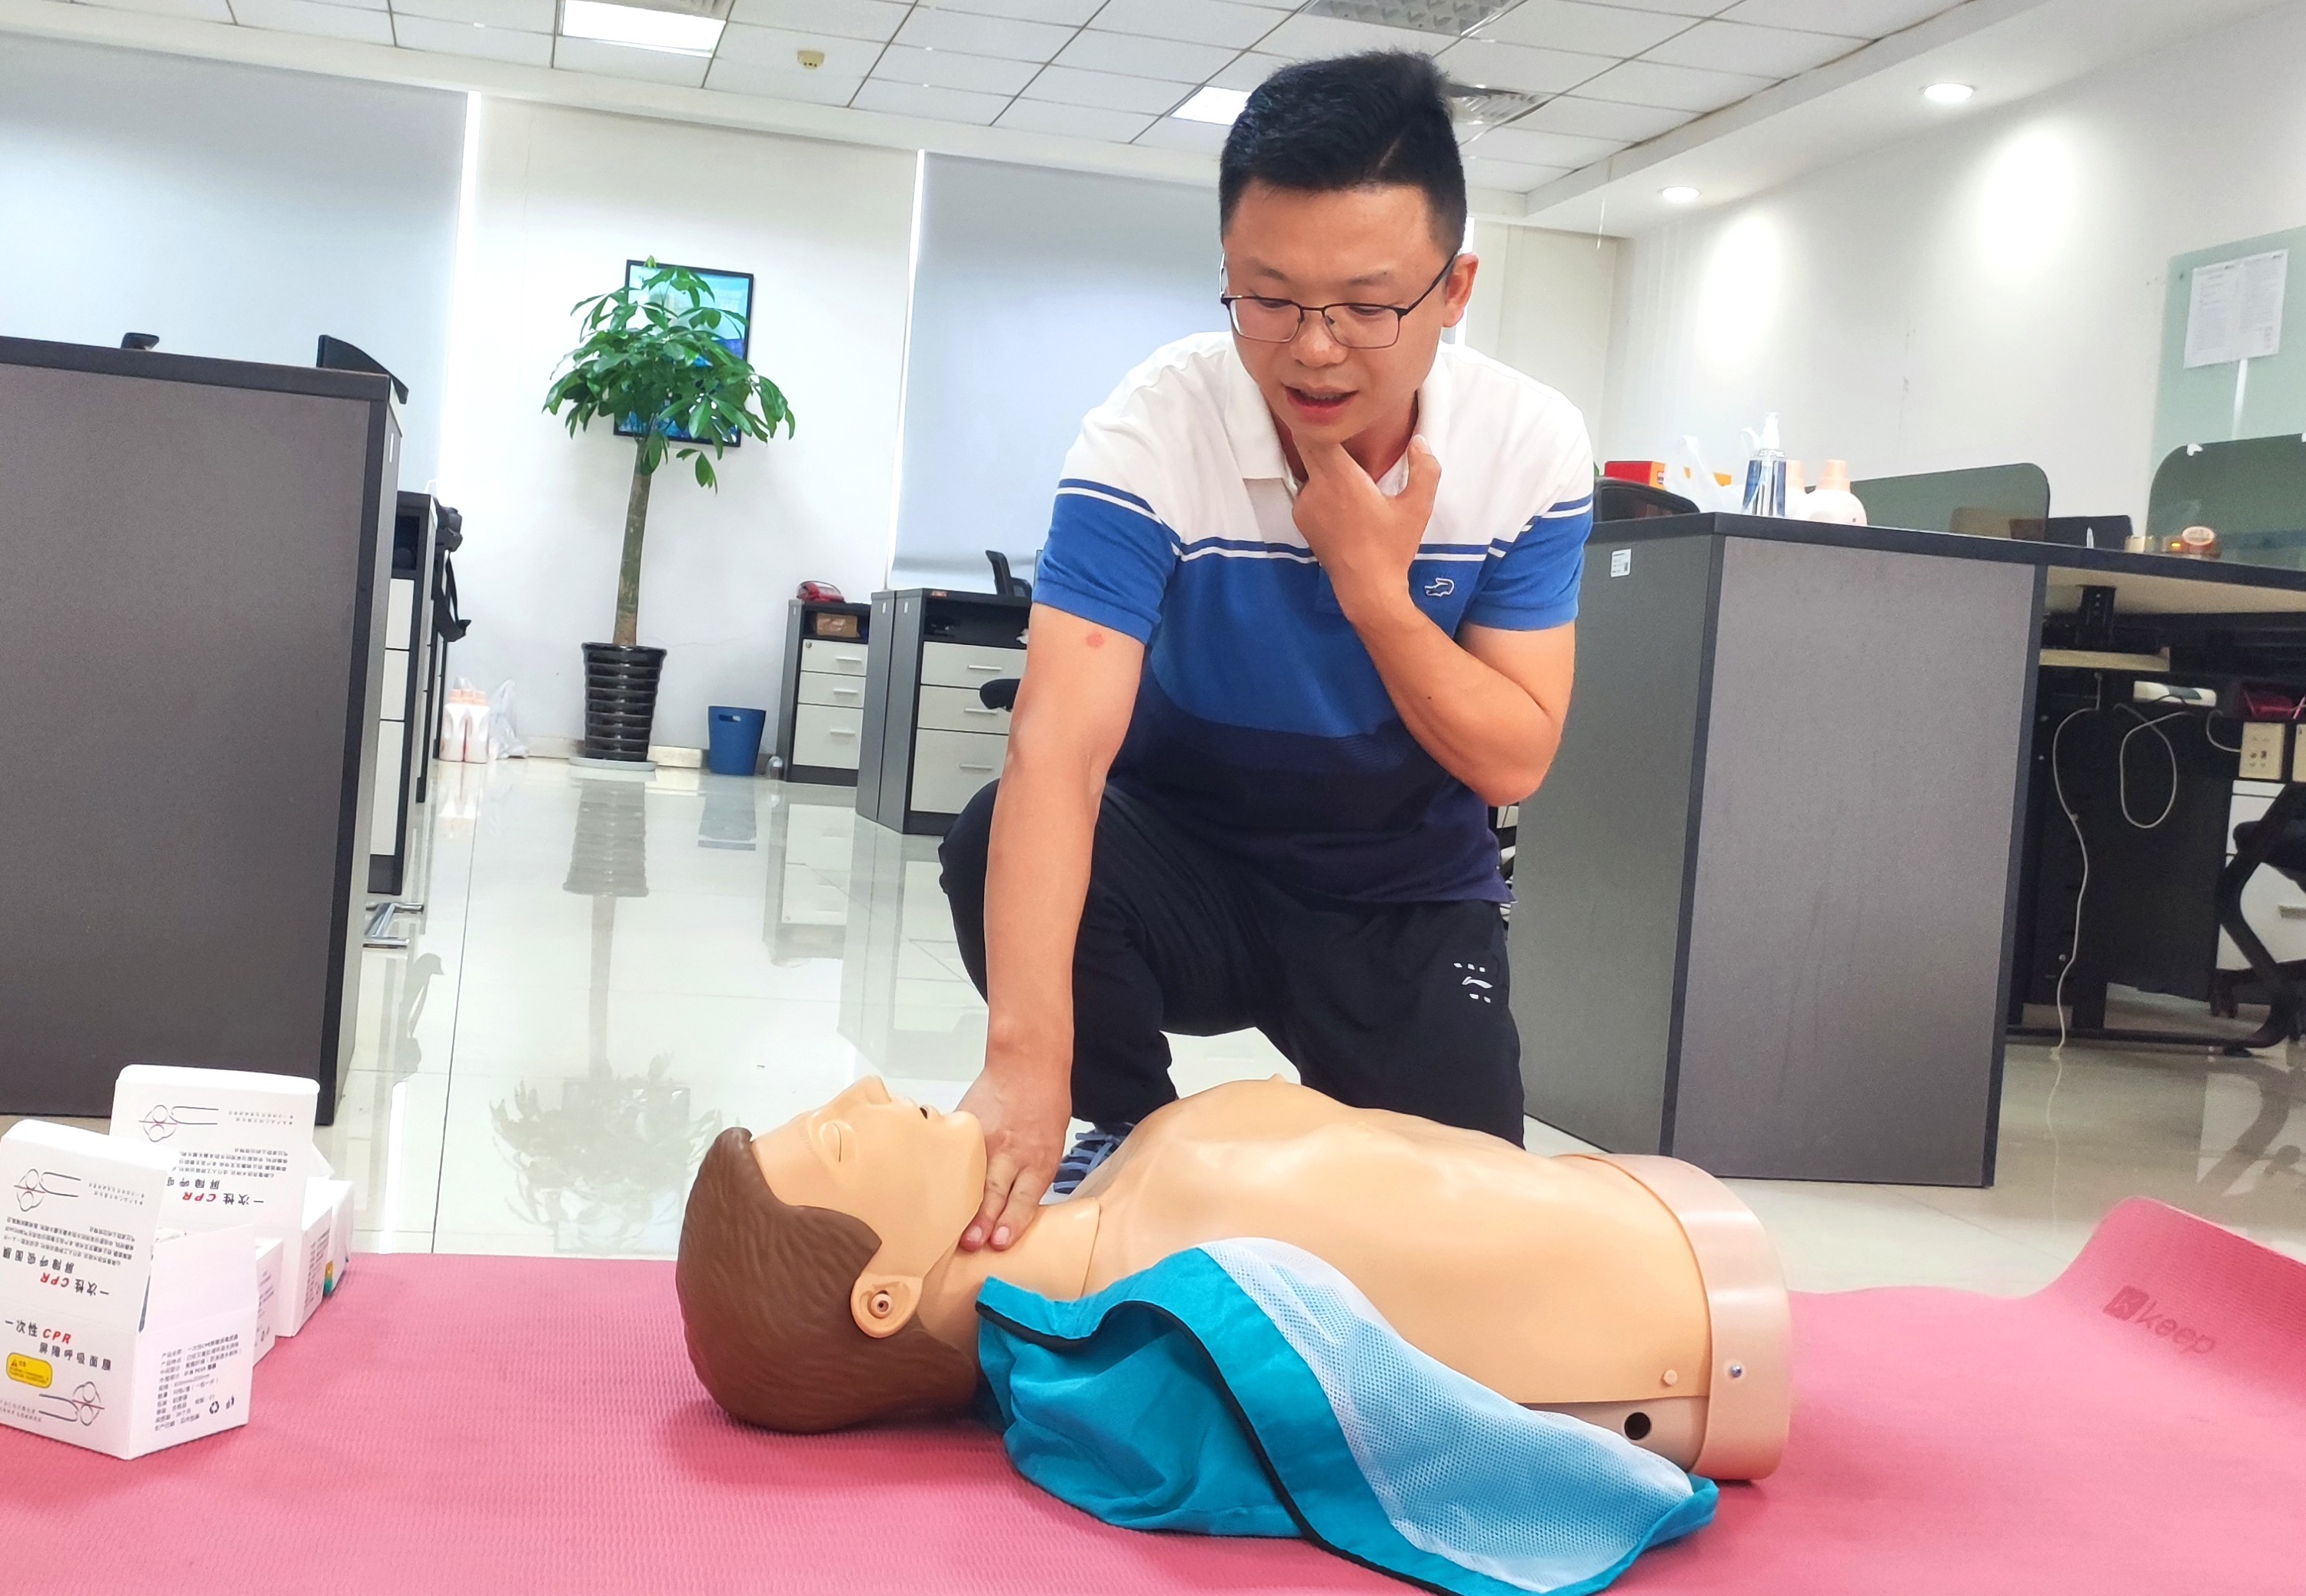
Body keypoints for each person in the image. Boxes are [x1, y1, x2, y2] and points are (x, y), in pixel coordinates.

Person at [937, 50, 1599, 1259]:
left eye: (1367, 304)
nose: (1314, 349)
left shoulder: (1530, 447)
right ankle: (1129, 1134)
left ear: (1455, 289)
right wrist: (1026, 1065)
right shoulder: (1152, 429)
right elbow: (1057, 749)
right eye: (1270, 298)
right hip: (1188, 863)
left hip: (1401, 889)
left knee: (1466, 1245)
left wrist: (1375, 590)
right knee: (995, 831)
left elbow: (1514, 759)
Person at [672, 1076, 1790, 1478]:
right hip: (1697, 1305)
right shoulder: (1181, 1284)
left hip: (1656, 1228)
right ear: (884, 1299)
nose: (865, 1090)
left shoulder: (1142, 1199)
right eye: (842, 1141)